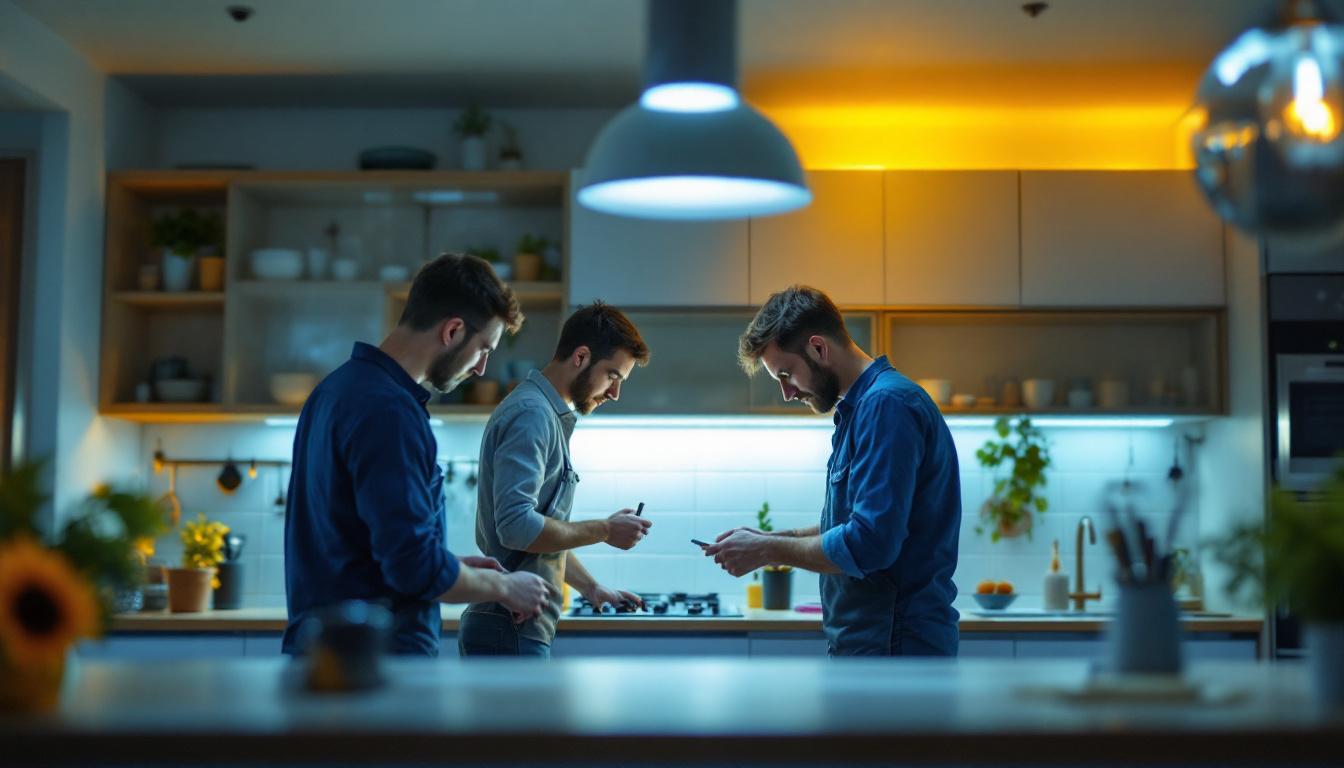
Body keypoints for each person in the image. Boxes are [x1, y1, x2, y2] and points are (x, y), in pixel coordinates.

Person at [283, 253, 551, 656]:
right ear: (453, 331)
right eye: (483, 349)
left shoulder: (334, 390)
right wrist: (505, 587)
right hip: (375, 667)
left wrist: (455, 569)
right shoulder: (390, 411)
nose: (481, 369)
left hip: (326, 657)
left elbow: (369, 549)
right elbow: (413, 568)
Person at [705, 285, 961, 656]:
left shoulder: (886, 406)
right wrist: (770, 537)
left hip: (894, 649)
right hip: (874, 644)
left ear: (818, 348)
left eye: (786, 374)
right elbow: (850, 523)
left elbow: (870, 543)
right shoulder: (861, 410)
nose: (787, 394)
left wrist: (767, 550)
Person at [460, 302, 652, 657]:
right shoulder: (532, 415)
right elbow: (517, 528)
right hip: (508, 627)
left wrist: (592, 588)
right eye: (613, 376)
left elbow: (537, 538)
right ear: (581, 356)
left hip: (513, 626)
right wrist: (606, 530)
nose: (614, 393)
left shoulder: (543, 413)